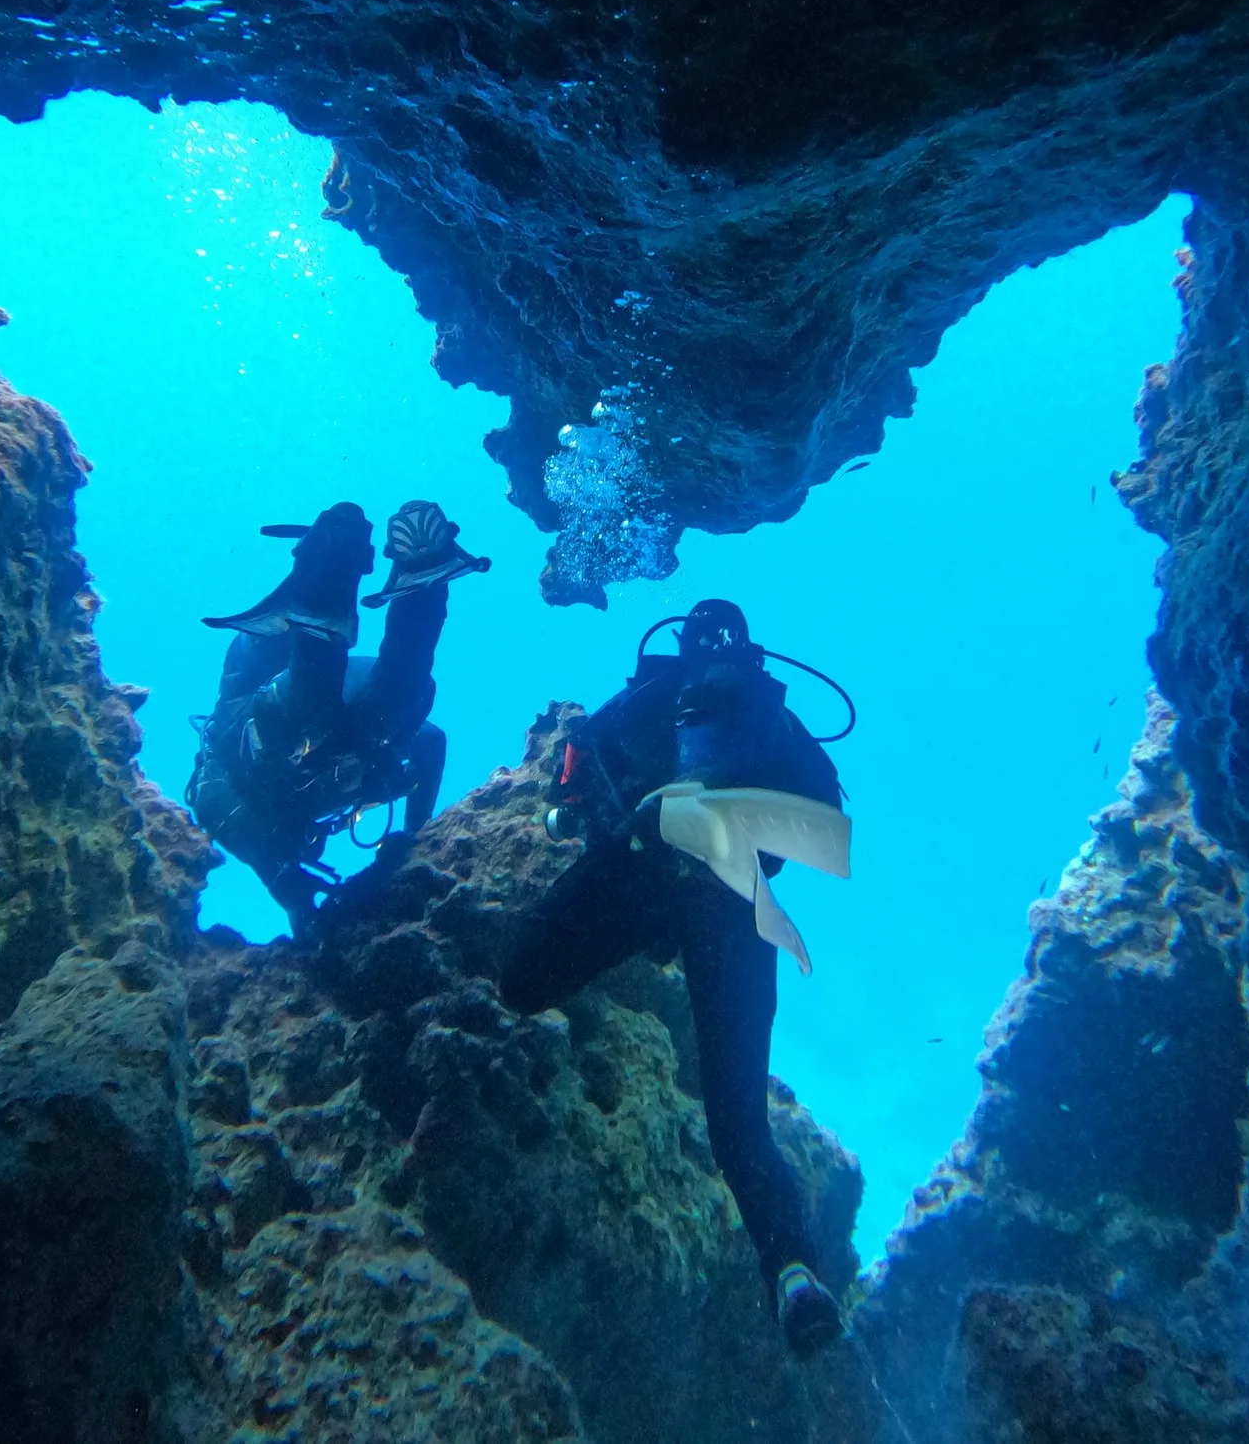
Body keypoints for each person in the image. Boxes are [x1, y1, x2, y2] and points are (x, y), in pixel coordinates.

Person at [500, 599, 852, 1356]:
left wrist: (587, 816)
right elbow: (828, 814)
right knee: (739, 1124)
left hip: (638, 870)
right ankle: (792, 1269)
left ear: (679, 645)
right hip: (735, 899)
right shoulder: (775, 719)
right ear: (753, 654)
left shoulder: (654, 692)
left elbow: (575, 776)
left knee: (518, 985)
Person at [185, 500, 488, 932]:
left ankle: (336, 573)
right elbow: (431, 740)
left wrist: (286, 887)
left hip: (253, 714)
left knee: (347, 711)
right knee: (393, 696)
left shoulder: (242, 798)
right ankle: (415, 578)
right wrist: (414, 838)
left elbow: (210, 802)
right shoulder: (328, 786)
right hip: (302, 711)